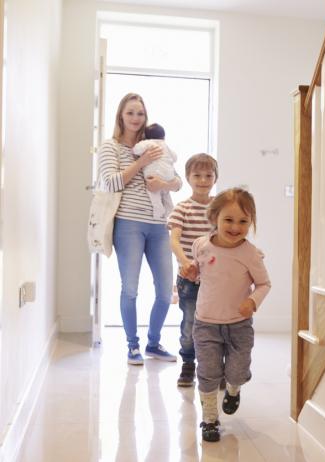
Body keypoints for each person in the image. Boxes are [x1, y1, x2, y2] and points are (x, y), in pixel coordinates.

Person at [182, 187, 271, 442]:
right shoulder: (201, 245)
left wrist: (252, 301)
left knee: (237, 372)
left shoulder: (250, 254)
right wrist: (191, 272)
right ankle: (209, 419)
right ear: (215, 219)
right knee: (208, 372)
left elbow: (265, 284)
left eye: (243, 221)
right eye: (229, 220)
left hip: (239, 325)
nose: (235, 227)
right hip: (206, 323)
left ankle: (234, 388)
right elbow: (199, 272)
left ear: (251, 222)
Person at [98, 93, 181, 365]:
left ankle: (154, 343)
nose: (135, 118)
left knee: (165, 290)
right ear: (121, 115)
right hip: (128, 224)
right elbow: (110, 183)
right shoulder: (110, 147)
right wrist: (140, 163)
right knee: (130, 288)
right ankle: (132, 345)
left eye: (140, 114)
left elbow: (177, 179)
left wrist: (164, 185)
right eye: (130, 112)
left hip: (159, 225)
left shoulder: (155, 145)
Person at [167, 153, 218, 387]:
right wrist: (186, 262)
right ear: (188, 178)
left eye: (208, 175)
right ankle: (188, 363)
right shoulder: (182, 208)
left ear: (215, 178)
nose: (203, 180)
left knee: (217, 325)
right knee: (190, 324)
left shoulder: (219, 208)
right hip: (189, 280)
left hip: (217, 280)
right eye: (197, 175)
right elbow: (174, 241)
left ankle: (215, 368)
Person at [133, 123, 177, 219]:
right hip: (168, 175)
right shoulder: (165, 145)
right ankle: (170, 210)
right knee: (165, 193)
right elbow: (175, 157)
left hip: (153, 173)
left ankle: (158, 210)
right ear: (164, 136)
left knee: (153, 192)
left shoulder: (148, 143)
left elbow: (136, 150)